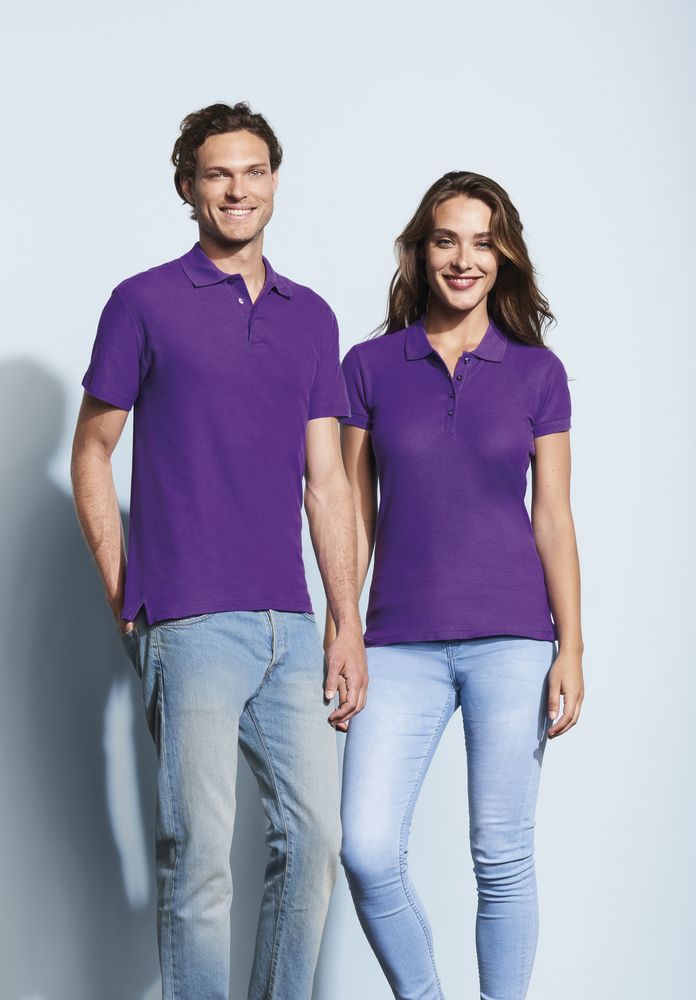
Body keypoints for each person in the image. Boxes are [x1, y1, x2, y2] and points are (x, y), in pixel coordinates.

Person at [71, 101, 368, 1000]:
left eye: (254, 172)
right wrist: (126, 591)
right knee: (198, 856)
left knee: (314, 842)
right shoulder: (142, 302)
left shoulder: (311, 316)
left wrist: (346, 621)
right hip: (189, 620)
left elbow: (328, 480)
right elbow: (92, 450)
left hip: (290, 623)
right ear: (188, 188)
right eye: (218, 174)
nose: (238, 190)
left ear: (275, 181)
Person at [325, 171, 584, 1000]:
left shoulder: (538, 373)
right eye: (446, 240)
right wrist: (343, 629)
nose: (463, 259)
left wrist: (572, 647)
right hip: (397, 642)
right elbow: (353, 513)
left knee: (501, 855)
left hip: (513, 639)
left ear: (504, 257)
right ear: (421, 251)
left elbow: (553, 518)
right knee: (366, 849)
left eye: (482, 242)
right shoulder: (368, 366)